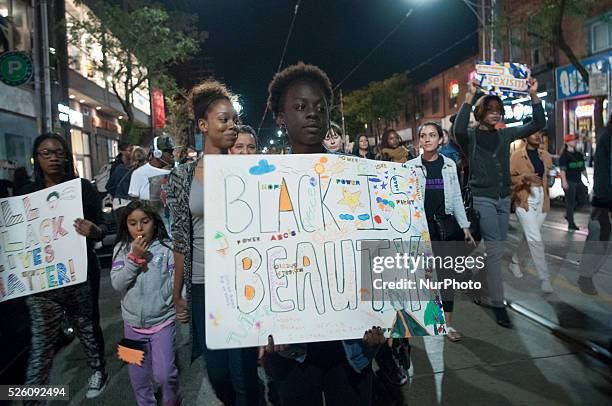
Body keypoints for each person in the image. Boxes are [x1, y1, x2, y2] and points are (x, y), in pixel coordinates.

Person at [263, 61, 385, 406]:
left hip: (351, 341)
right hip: (291, 345)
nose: (313, 114)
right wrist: (261, 327)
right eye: (300, 107)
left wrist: (384, 316)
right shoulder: (260, 185)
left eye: (320, 107)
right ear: (281, 117)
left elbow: (379, 247)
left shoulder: (358, 178)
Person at [165, 79, 260, 406]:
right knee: (217, 372)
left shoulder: (251, 172)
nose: (232, 126)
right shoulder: (182, 177)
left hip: (244, 281)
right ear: (203, 125)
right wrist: (178, 293)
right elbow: (180, 238)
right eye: (224, 119)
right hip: (203, 285)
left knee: (246, 370)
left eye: (234, 119)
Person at [16, 133, 107, 402]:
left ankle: (98, 369)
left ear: (66, 157)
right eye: (46, 153)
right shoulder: (24, 196)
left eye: (58, 153)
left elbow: (102, 227)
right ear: (36, 158)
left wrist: (95, 231)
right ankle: (34, 397)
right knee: (41, 343)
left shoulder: (82, 189)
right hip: (41, 283)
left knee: (87, 328)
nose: (53, 158)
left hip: (78, 275)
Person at [453, 78, 544, 328]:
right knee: (494, 251)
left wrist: (533, 95)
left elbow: (538, 122)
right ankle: (498, 303)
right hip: (482, 199)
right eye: (491, 110)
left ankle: (471, 275)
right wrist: (470, 96)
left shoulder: (506, 135)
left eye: (498, 111)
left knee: (495, 248)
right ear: (481, 113)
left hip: (504, 199)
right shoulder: (469, 137)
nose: (495, 114)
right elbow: (457, 129)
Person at [409, 122, 475, 341]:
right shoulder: (410, 167)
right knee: (423, 277)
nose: (427, 139)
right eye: (423, 135)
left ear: (440, 139)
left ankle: (447, 326)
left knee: (446, 277)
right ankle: (426, 320)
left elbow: (456, 197)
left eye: (432, 135)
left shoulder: (449, 165)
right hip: (420, 229)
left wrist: (464, 226)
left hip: (444, 227)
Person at [111, 201, 181, 406]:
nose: (139, 228)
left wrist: (174, 300)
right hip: (131, 325)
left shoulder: (167, 249)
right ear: (126, 226)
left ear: (155, 223)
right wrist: (133, 259)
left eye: (145, 221)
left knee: (165, 375)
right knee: (138, 378)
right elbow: (117, 283)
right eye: (132, 223)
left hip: (163, 322)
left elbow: (176, 279)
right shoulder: (121, 249)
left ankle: (174, 401)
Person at [509, 130, 554, 293]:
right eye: (533, 133)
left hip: (542, 198)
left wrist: (551, 179)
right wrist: (524, 177)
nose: (537, 135)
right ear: (525, 136)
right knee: (535, 238)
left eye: (540, 133)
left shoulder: (545, 155)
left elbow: (549, 175)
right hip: (524, 199)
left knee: (529, 237)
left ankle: (514, 261)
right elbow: (510, 179)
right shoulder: (516, 156)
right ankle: (545, 279)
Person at [577, 117, 612, 295]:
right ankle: (585, 276)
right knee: (599, 240)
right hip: (605, 199)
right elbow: (603, 171)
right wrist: (604, 200)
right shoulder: (607, 137)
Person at [559, 133, 589, 231]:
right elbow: (562, 170)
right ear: (567, 142)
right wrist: (564, 182)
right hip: (569, 181)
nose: (575, 141)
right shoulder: (564, 155)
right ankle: (571, 223)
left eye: (575, 140)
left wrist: (587, 178)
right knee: (570, 202)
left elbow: (582, 168)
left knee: (584, 199)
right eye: (573, 140)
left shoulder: (579, 154)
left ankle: (568, 214)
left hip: (578, 180)